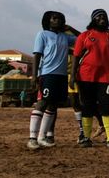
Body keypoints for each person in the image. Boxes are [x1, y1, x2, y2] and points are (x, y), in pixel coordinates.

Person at [70, 9, 109, 150]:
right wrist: (72, 75)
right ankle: (86, 138)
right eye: (99, 16)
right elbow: (76, 56)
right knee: (87, 106)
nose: (102, 18)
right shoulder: (85, 36)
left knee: (107, 107)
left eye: (104, 16)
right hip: (85, 76)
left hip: (106, 77)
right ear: (93, 19)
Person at [27, 11, 80, 150]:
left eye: (60, 19)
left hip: (61, 75)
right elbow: (37, 56)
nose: (57, 21)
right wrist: (34, 76)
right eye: (54, 18)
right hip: (47, 74)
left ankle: (42, 137)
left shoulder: (64, 37)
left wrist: (70, 28)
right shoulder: (42, 35)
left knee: (53, 105)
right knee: (42, 103)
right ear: (48, 21)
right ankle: (32, 138)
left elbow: (82, 38)